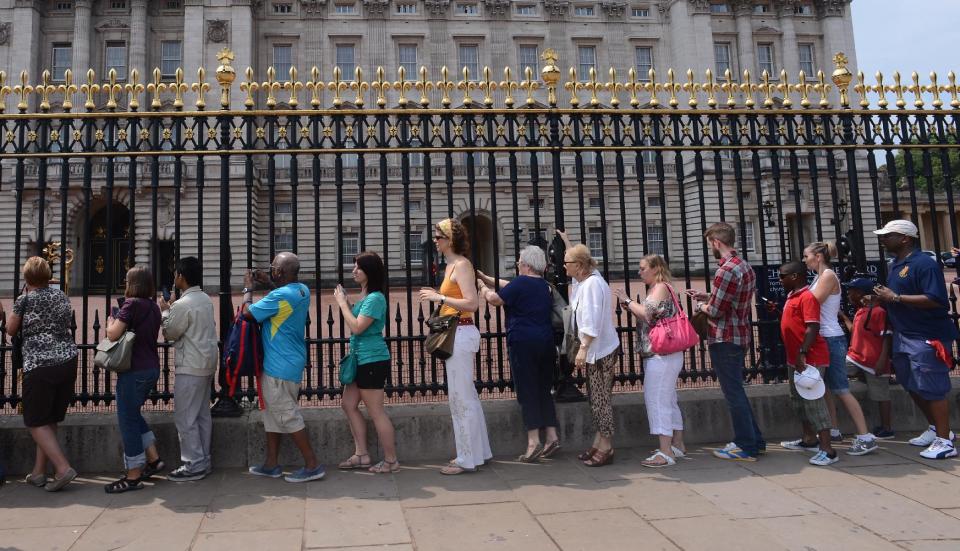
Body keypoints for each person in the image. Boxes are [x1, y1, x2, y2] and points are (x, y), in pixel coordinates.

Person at [870, 220, 959, 459]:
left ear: (905, 239)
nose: (883, 239)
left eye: (889, 235)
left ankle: (945, 442)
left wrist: (896, 297)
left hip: (926, 334)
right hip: (904, 333)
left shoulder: (924, 264)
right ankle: (936, 429)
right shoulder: (896, 264)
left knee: (933, 387)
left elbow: (936, 299)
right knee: (911, 384)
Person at [243, 252, 326, 482]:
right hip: (290, 362)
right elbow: (281, 297)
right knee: (273, 415)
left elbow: (247, 314)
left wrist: (248, 289)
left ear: (279, 272)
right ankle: (271, 464)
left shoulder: (280, 296)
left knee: (287, 415)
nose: (271, 270)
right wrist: (268, 283)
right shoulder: (301, 290)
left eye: (273, 268)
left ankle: (313, 464)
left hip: (278, 366)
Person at [419, 219, 492, 475]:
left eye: (439, 237)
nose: (435, 241)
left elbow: (472, 304)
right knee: (468, 395)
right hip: (456, 332)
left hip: (460, 332)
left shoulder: (460, 264)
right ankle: (479, 452)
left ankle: (466, 458)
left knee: (460, 399)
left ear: (450, 239)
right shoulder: (451, 265)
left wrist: (439, 297)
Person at [687, 222, 765, 461]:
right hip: (740, 333)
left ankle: (746, 445)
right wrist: (708, 295)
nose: (710, 247)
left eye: (710, 243)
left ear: (716, 242)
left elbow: (717, 311)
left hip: (724, 337)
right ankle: (755, 440)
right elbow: (733, 298)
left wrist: (701, 305)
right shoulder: (745, 266)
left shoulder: (725, 270)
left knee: (733, 394)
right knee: (737, 390)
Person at [0, 257, 78, 491]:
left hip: (40, 363)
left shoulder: (25, 299)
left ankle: (63, 468)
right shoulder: (61, 296)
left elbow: (11, 330)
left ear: (26, 277)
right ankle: (38, 472)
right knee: (48, 418)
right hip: (67, 359)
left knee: (34, 420)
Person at [478, 245, 560, 462]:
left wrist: (483, 289)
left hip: (523, 341)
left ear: (526, 264)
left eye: (519, 262)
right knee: (544, 389)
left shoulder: (521, 283)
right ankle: (552, 436)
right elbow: (511, 287)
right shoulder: (544, 285)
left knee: (527, 390)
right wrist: (486, 277)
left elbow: (496, 299)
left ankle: (533, 442)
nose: (517, 265)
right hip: (545, 342)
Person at [803, 242, 877, 455]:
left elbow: (813, 302)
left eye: (806, 256)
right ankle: (833, 429)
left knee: (841, 389)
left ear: (818, 256)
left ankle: (865, 436)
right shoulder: (820, 276)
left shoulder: (827, 276)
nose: (805, 259)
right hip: (824, 337)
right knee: (825, 388)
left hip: (831, 338)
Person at [614, 255, 686, 468]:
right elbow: (653, 317)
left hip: (660, 355)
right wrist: (632, 307)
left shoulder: (660, 288)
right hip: (664, 354)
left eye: (643, 268)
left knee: (657, 401)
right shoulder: (660, 288)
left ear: (656, 268)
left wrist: (627, 300)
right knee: (669, 399)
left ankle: (665, 452)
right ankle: (677, 444)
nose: (640, 272)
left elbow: (648, 314)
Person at [557, 230, 620, 467]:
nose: (565, 268)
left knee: (600, 400)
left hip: (599, 351)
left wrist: (583, 349)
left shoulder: (592, 285)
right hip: (597, 349)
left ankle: (607, 446)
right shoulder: (585, 279)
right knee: (596, 398)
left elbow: (591, 322)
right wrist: (567, 243)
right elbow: (575, 259)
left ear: (580, 265)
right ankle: (598, 442)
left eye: (567, 264)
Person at [334, 251, 400, 474]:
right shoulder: (366, 297)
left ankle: (391, 460)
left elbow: (357, 327)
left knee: (375, 411)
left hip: (372, 359)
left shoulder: (375, 298)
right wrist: (349, 302)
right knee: (348, 404)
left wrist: (343, 304)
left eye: (358, 267)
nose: (354, 271)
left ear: (369, 272)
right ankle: (362, 454)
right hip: (358, 358)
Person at [104, 266, 164, 493]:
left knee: (127, 421)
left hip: (134, 370)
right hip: (151, 368)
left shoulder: (131, 305)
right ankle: (154, 459)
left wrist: (112, 320)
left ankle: (133, 474)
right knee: (133, 415)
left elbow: (112, 334)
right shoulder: (153, 307)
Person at [160, 257, 219, 481]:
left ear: (181, 277)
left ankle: (193, 464)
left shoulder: (183, 304)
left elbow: (170, 332)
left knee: (185, 417)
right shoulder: (204, 298)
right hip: (207, 363)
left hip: (191, 365)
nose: (174, 278)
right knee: (202, 415)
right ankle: (203, 460)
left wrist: (165, 311)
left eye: (176, 274)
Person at [775, 261, 839, 466]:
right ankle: (809, 439)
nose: (780, 279)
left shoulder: (807, 297)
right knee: (799, 401)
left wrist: (803, 352)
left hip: (809, 358)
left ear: (794, 276)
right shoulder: (793, 296)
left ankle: (828, 450)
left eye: (783, 275)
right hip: (795, 358)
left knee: (814, 402)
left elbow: (812, 326)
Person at [839, 278, 894, 439]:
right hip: (855, 357)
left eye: (851, 291)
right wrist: (843, 317)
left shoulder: (879, 312)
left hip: (874, 361)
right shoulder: (860, 311)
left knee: (881, 395)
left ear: (861, 293)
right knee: (838, 375)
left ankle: (886, 427)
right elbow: (854, 330)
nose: (848, 294)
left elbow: (886, 337)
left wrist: (882, 360)